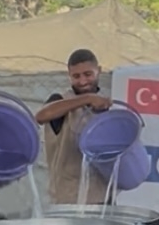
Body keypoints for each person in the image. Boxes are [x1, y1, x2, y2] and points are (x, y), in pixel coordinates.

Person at [35, 47, 115, 204]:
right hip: (68, 201)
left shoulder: (107, 105)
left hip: (103, 199)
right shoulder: (59, 100)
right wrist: (87, 98)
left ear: (99, 71)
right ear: (69, 76)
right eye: (76, 76)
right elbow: (41, 116)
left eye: (88, 74)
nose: (82, 81)